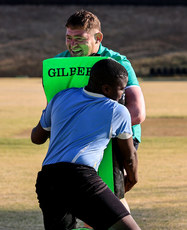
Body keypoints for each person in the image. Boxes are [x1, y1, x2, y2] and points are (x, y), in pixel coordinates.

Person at [31, 59, 141, 230]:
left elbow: (36, 138)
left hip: (47, 180)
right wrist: (133, 179)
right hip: (79, 179)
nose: (123, 93)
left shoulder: (62, 96)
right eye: (122, 88)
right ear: (106, 89)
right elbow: (129, 156)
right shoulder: (117, 110)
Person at [55, 9, 146, 200]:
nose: (73, 45)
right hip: (76, 140)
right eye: (68, 38)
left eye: (80, 39)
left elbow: (137, 113)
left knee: (108, 200)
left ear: (98, 38)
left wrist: (93, 125)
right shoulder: (58, 64)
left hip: (117, 138)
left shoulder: (116, 63)